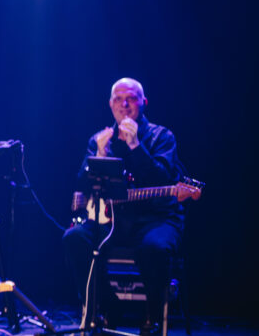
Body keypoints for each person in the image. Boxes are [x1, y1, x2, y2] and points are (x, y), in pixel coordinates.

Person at [62, 78, 184, 336]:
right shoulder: (100, 139)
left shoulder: (162, 137)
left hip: (155, 218)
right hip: (111, 220)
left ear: (143, 102)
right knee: (74, 238)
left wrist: (135, 146)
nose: (124, 105)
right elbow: (81, 183)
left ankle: (152, 316)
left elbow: (162, 178)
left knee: (154, 247)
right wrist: (99, 154)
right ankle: (105, 306)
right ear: (110, 104)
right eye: (118, 99)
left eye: (131, 99)